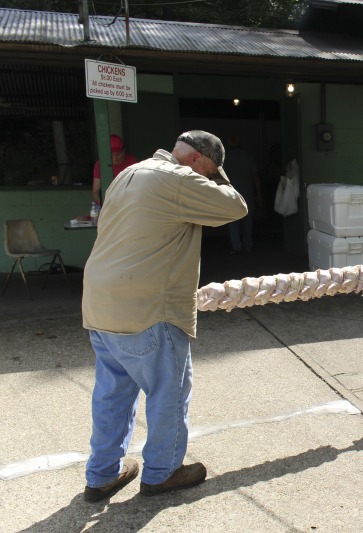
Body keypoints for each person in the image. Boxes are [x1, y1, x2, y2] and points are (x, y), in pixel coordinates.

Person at [81, 130, 248, 502]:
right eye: (209, 172)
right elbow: (235, 206)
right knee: (168, 392)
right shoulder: (179, 177)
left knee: (112, 394)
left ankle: (101, 476)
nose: (207, 180)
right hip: (148, 308)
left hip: (99, 304)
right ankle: (161, 472)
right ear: (197, 162)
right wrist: (216, 177)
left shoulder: (129, 173)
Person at [225, 134, 262, 253]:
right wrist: (259, 193)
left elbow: (221, 178)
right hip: (248, 193)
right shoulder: (248, 156)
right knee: (248, 221)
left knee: (233, 221)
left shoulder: (226, 158)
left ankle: (237, 246)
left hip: (232, 194)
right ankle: (248, 245)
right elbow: (255, 176)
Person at [92, 134, 138, 205]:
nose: (115, 158)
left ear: (123, 151)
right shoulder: (100, 164)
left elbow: (137, 185)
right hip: (107, 202)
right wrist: (105, 205)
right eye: (111, 155)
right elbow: (95, 191)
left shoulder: (132, 161)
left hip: (126, 201)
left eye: (117, 155)